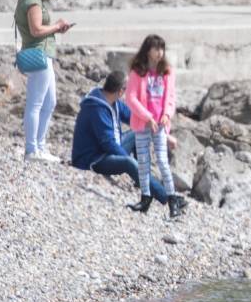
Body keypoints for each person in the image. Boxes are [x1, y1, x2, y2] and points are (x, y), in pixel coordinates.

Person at [70, 71, 183, 213]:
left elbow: (138, 120)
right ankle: (166, 198)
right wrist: (128, 160)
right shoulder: (96, 108)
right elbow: (108, 144)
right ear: (121, 91)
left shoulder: (113, 101)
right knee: (130, 163)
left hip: (106, 150)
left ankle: (140, 180)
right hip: (92, 159)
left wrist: (165, 136)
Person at [14, 0, 73, 163]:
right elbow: (36, 30)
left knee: (50, 102)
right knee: (36, 103)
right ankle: (32, 150)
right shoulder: (33, 0)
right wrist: (57, 26)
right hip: (38, 54)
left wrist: (56, 28)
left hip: (44, 54)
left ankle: (40, 146)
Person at [125, 34, 187, 218]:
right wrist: (147, 117)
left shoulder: (167, 71)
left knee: (162, 160)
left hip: (160, 125)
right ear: (148, 50)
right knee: (143, 162)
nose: (160, 52)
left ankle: (173, 200)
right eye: (156, 48)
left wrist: (167, 115)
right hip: (143, 123)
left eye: (162, 49)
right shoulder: (137, 71)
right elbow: (131, 98)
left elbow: (171, 98)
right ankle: (145, 198)